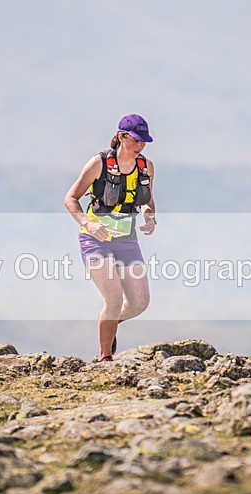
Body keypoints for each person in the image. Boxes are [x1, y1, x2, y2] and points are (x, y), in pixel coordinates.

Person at [64, 114, 157, 362]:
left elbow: (147, 201)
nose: (140, 146)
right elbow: (71, 198)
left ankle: (112, 324)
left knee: (140, 303)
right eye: (136, 140)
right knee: (114, 299)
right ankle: (105, 358)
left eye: (144, 142)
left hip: (127, 240)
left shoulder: (145, 166)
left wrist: (150, 217)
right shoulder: (99, 163)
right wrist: (88, 224)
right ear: (122, 136)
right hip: (95, 240)